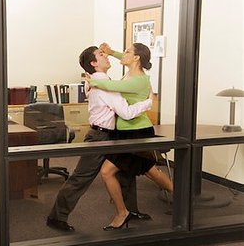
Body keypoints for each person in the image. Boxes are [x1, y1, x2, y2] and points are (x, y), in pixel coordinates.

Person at [46, 46, 153, 232]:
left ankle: (130, 211)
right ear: (94, 64)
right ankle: (56, 217)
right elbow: (126, 113)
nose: (106, 56)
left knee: (125, 172)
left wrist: (112, 52)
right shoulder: (103, 84)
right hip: (100, 137)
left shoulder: (100, 80)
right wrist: (147, 103)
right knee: (81, 178)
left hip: (109, 134)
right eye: (101, 55)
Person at [88, 42, 173, 231]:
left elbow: (111, 85)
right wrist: (112, 52)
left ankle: (122, 212)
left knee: (107, 172)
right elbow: (123, 59)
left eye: (127, 51)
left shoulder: (139, 80)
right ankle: (180, 197)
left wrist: (91, 80)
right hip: (127, 130)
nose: (122, 54)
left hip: (137, 131)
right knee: (150, 170)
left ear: (136, 58)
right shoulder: (132, 72)